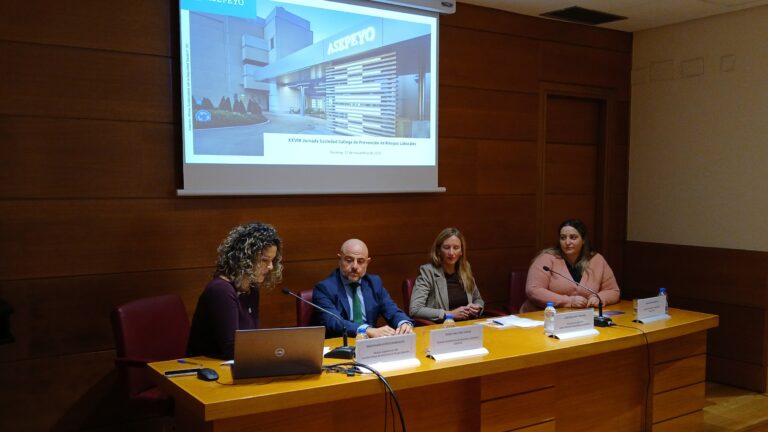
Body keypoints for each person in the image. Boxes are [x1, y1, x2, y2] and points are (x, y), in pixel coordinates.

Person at [187, 222, 283, 359]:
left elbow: (252, 338)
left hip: (235, 367)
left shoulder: (252, 289)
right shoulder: (221, 290)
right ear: (244, 259)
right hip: (208, 370)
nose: (270, 267)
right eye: (264, 260)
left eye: (272, 260)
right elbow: (232, 349)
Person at [313, 239, 413, 338]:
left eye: (360, 261)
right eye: (349, 260)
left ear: (367, 262)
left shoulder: (374, 283)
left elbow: (392, 310)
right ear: (340, 260)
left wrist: (403, 323)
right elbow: (334, 322)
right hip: (342, 344)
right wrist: (366, 330)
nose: (355, 266)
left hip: (370, 345)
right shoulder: (324, 289)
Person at [521, 219, 620, 312]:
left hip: (580, 318)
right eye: (563, 238)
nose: (567, 242)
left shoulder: (596, 260)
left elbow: (613, 290)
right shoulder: (546, 258)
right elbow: (533, 290)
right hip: (541, 316)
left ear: (584, 240)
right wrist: (569, 301)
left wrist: (598, 298)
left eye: (573, 237)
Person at [409, 227, 484, 322]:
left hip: (467, 326)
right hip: (442, 329)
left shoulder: (465, 268)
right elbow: (415, 309)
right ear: (439, 250)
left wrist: (477, 307)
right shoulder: (428, 271)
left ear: (461, 251)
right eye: (446, 247)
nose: (451, 253)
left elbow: (478, 299)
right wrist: (449, 314)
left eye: (456, 248)